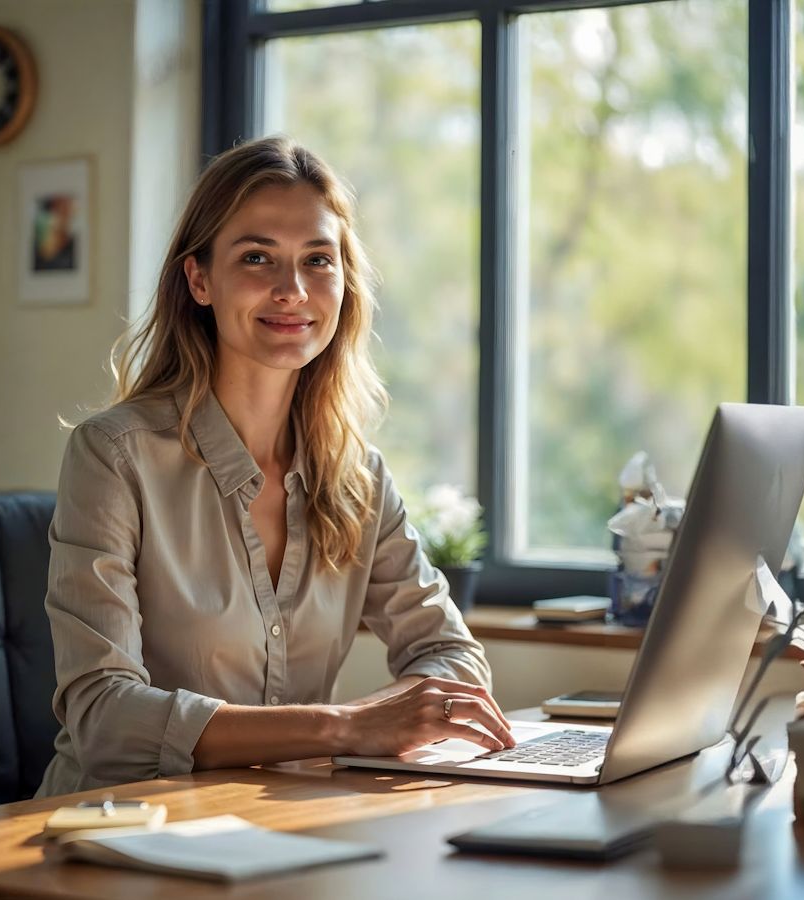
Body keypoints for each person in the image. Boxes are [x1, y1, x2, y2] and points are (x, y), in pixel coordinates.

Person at [36, 136, 515, 797]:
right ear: (199, 279)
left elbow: (454, 655)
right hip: (117, 833)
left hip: (291, 826)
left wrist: (401, 718)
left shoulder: (358, 477)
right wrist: (345, 727)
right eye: (257, 257)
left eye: (318, 260)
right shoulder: (114, 455)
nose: (292, 290)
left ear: (343, 283)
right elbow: (103, 717)